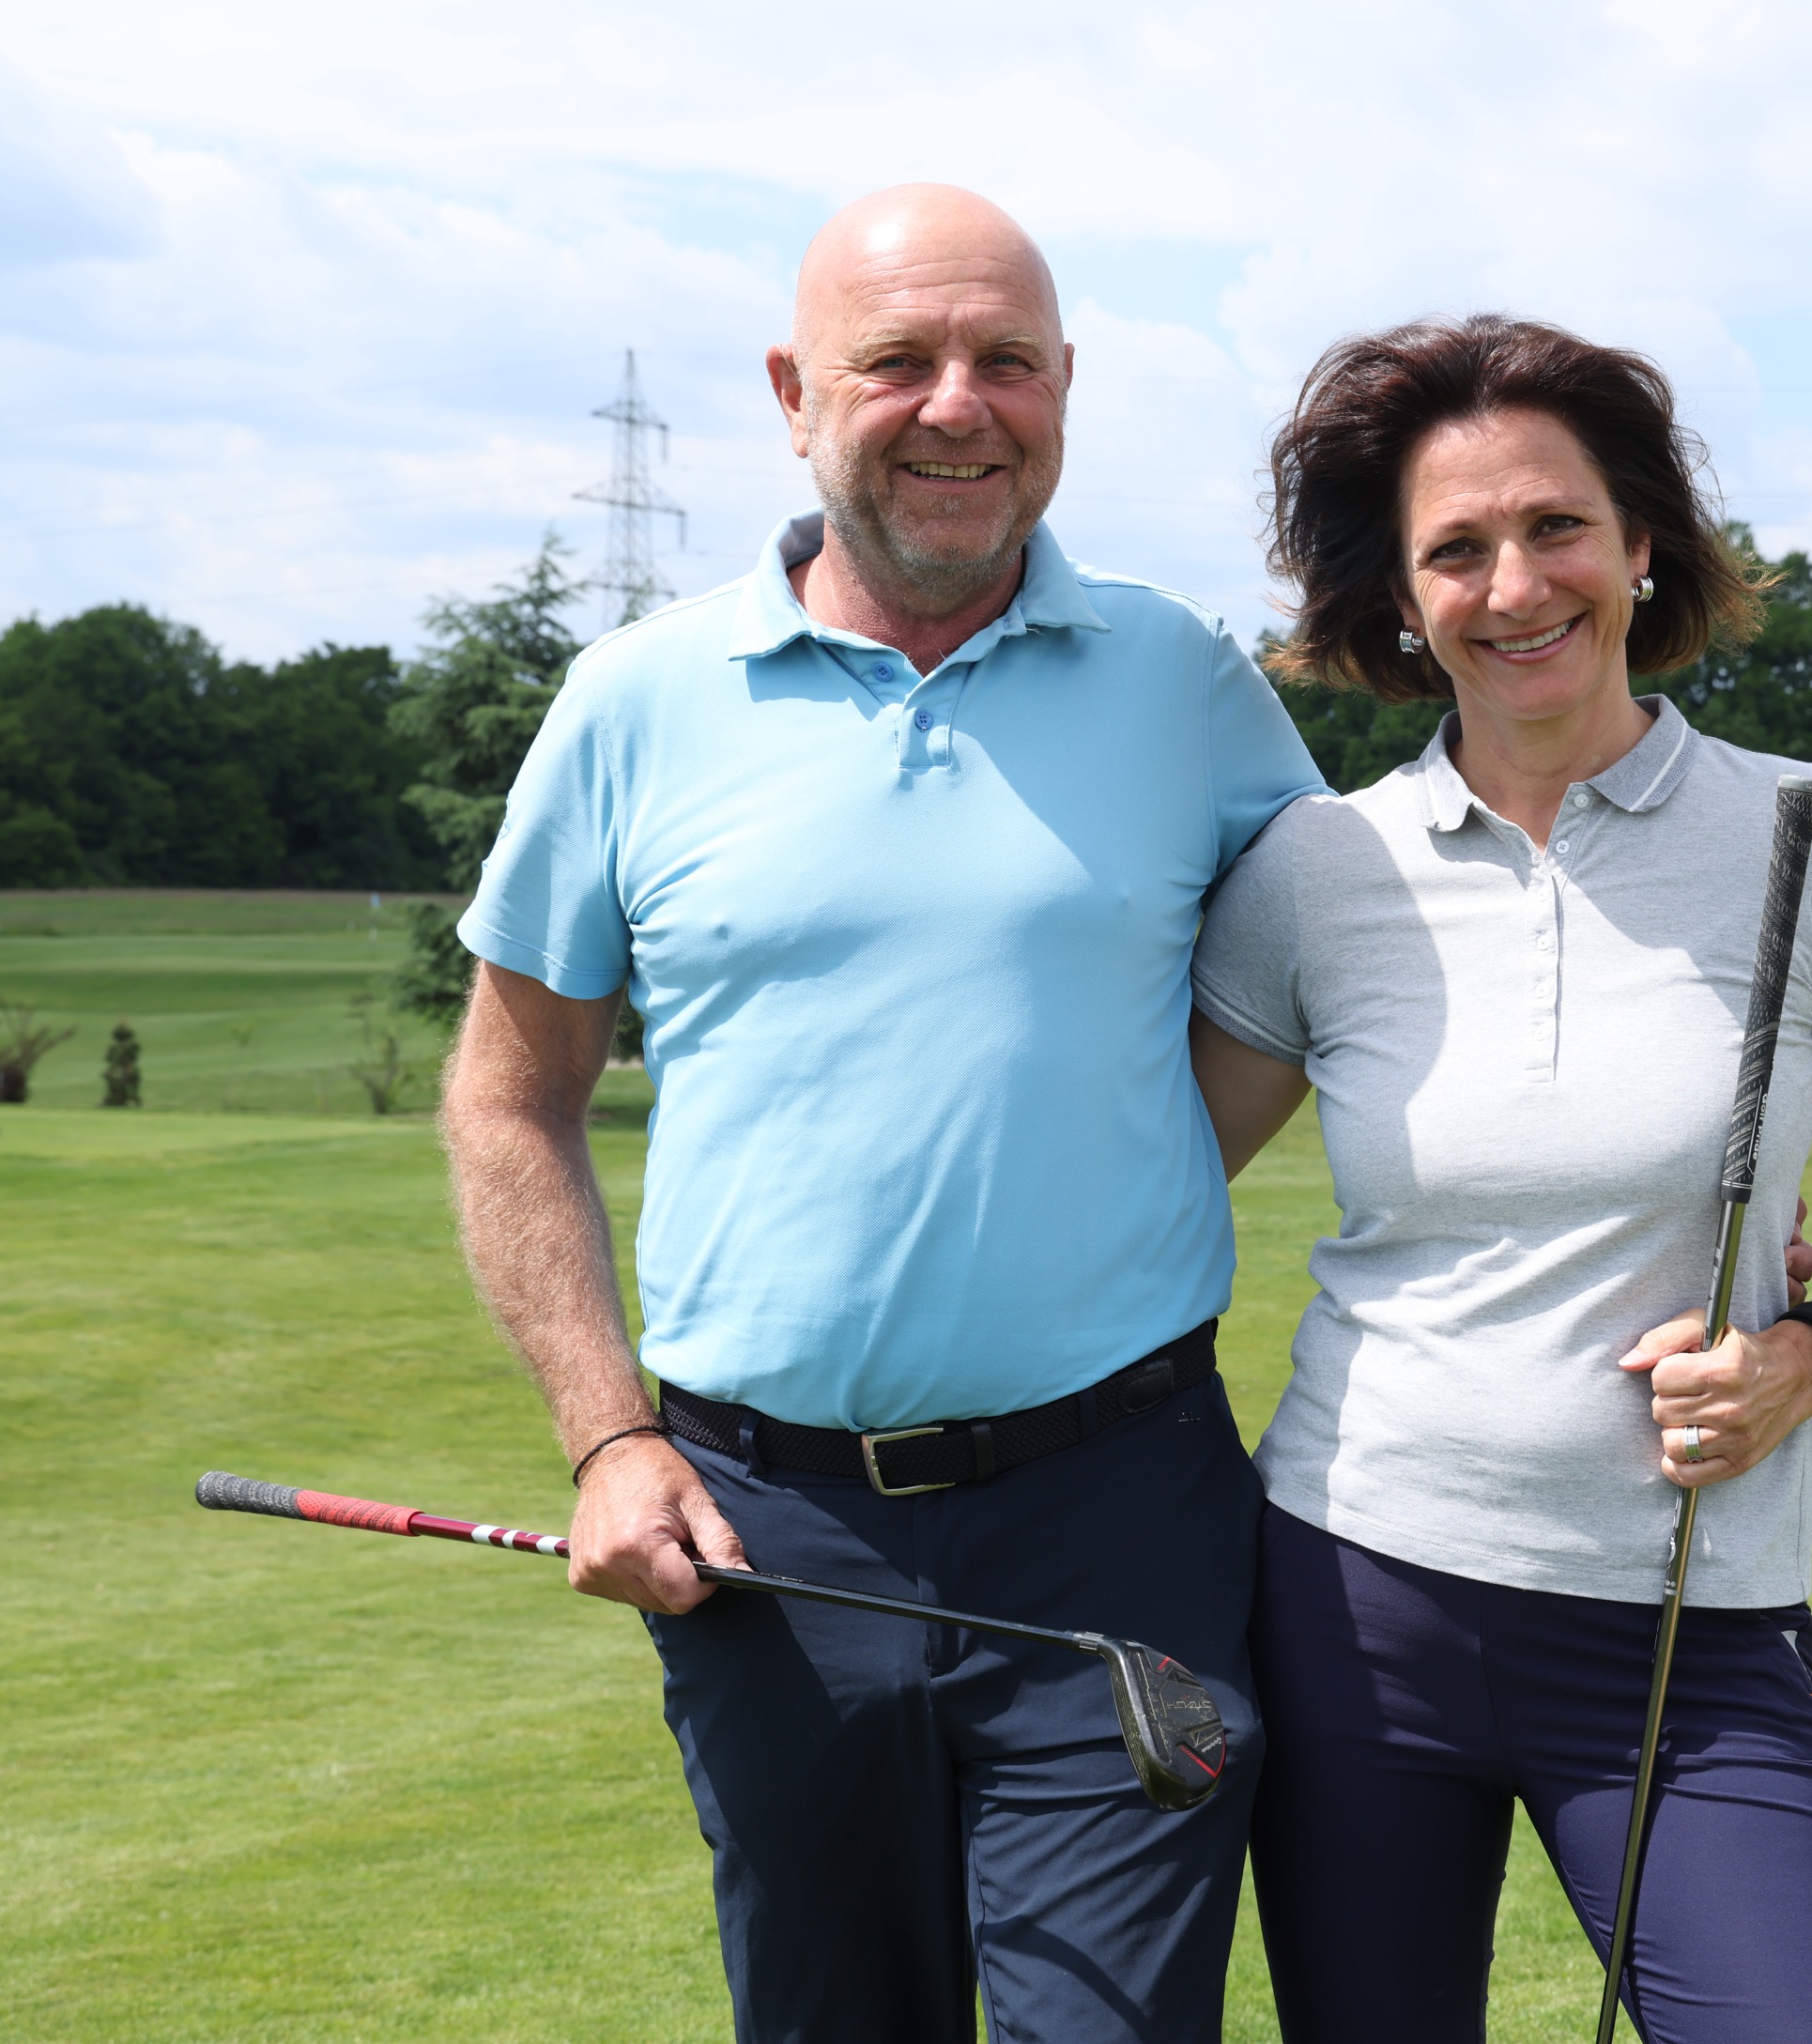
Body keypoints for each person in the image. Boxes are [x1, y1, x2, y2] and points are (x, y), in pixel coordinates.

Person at [438, 185, 1325, 2044]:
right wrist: (607, 1437)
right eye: (898, 361)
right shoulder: (633, 702)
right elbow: (510, 1100)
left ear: (1067, 385)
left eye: (1006, 360)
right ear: (790, 391)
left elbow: (1367, 987)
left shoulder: (1186, 681)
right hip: (768, 1540)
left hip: (1125, 1518)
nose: (958, 404)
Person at [1189, 315, 1812, 2043]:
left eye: (1557, 526)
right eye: (1456, 549)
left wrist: (1811, 1354)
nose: (1514, 582)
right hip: (1352, 1600)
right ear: (1405, 601)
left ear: (1644, 545)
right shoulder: (1314, 872)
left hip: (1688, 1637)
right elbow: (1147, 1187)